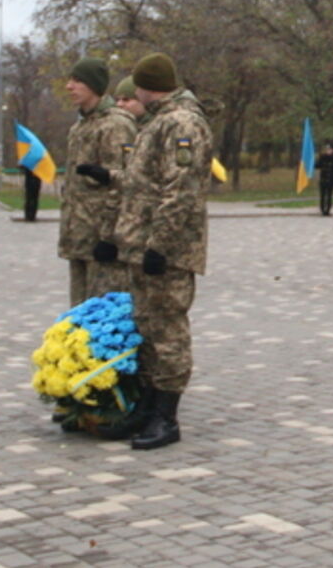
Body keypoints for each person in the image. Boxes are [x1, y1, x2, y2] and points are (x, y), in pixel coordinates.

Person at [111, 53, 211, 450]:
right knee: (148, 325)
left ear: (147, 85)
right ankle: (149, 406)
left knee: (167, 327)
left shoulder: (182, 122)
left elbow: (180, 189)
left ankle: (166, 417)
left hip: (164, 248)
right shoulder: (159, 121)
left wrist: (160, 245)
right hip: (143, 243)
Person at [62, 57, 137, 306]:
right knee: (80, 316)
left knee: (105, 317)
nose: (69, 87)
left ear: (93, 86)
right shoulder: (80, 127)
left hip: (102, 241)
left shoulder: (115, 125)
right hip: (80, 239)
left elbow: (123, 184)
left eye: (77, 81)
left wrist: (109, 238)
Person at [314, 142, 333, 216]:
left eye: (330, 149)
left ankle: (328, 210)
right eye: (327, 150)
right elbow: (317, 166)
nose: (328, 151)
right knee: (322, 196)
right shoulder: (323, 157)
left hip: (331, 180)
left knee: (329, 196)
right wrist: (313, 162)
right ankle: (322, 209)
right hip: (323, 180)